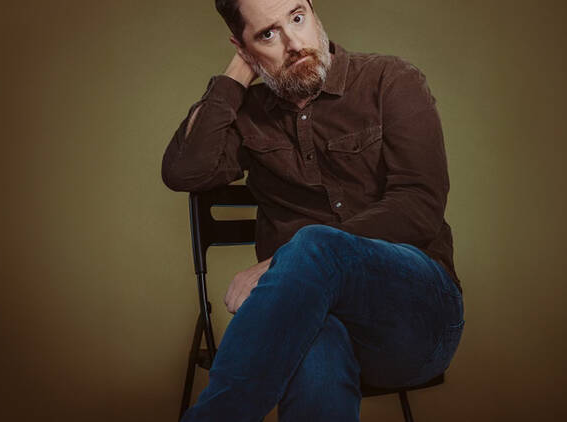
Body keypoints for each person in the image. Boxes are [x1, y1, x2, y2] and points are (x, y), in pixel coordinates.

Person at [161, 1, 464, 420]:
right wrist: (234, 78)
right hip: (310, 321)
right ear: (243, 47)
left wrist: (283, 263)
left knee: (316, 245)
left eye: (297, 17)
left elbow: (420, 205)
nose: (293, 42)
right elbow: (183, 171)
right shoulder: (248, 114)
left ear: (313, 11)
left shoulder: (391, 80)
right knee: (310, 343)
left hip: (415, 318)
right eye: (267, 34)